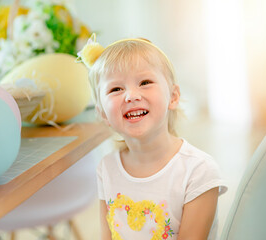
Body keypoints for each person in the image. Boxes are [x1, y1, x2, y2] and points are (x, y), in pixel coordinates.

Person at [76, 34, 228, 240]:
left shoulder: (198, 171)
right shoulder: (107, 168)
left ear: (173, 97)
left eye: (145, 82)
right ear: (103, 114)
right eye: (116, 89)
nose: (131, 95)